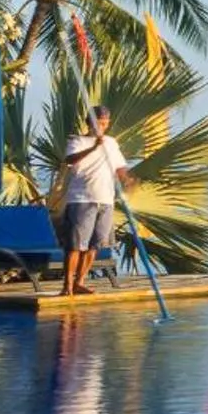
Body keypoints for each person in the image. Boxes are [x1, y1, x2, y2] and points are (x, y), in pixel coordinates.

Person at [58, 106, 134, 297]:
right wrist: (93, 147)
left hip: (105, 199)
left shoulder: (111, 143)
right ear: (89, 122)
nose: (103, 127)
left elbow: (119, 167)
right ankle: (67, 286)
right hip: (82, 199)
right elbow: (69, 160)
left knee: (95, 245)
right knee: (76, 245)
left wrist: (126, 179)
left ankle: (80, 282)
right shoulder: (77, 141)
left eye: (106, 123)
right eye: (99, 123)